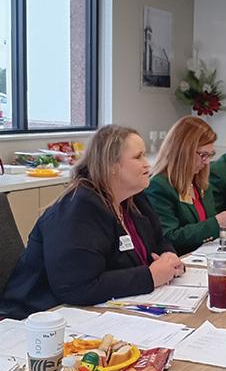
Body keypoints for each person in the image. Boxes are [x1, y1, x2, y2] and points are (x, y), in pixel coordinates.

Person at [0, 125, 184, 320]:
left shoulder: (134, 198)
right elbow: (76, 287)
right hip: (40, 316)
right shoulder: (78, 209)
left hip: (105, 308)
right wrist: (149, 277)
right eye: (138, 157)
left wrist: (168, 256)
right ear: (112, 166)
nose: (147, 164)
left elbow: (159, 240)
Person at [146, 117, 226, 255]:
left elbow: (207, 226)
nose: (206, 162)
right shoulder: (159, 186)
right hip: (182, 260)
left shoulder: (200, 182)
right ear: (183, 151)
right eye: (203, 155)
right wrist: (217, 223)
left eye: (210, 155)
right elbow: (169, 237)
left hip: (207, 256)